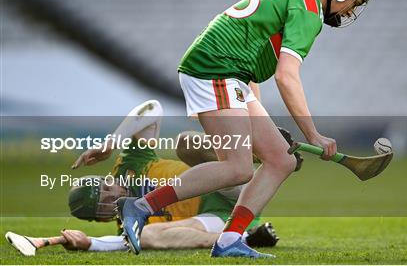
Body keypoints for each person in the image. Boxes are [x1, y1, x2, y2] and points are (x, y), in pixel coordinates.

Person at [118, 0, 375, 258]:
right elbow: (287, 77)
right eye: (354, 2)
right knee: (237, 168)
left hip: (230, 74)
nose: (348, 12)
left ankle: (229, 240)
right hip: (215, 69)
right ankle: (141, 206)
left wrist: (260, 121)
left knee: (281, 159)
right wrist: (313, 135)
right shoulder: (309, 11)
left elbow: (253, 62)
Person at [5, 99, 299, 256]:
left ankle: (261, 153)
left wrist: (112, 142)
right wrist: (88, 244)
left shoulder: (128, 164)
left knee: (186, 142)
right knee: (146, 236)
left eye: (105, 188)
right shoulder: (127, 222)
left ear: (105, 179)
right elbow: (121, 242)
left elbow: (152, 109)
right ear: (102, 219)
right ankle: (245, 237)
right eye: (104, 206)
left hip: (231, 185)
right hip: (221, 215)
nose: (112, 197)